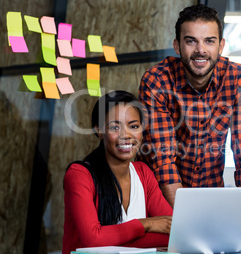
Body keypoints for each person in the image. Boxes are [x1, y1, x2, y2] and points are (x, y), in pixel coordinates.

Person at [138, 4, 241, 207]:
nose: (200, 50)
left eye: (209, 41)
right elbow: (163, 160)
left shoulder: (239, 79)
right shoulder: (157, 81)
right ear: (177, 46)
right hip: (159, 199)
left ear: (221, 46)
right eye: (191, 41)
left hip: (210, 195)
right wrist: (187, 219)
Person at [63, 91, 172, 254]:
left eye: (134, 126)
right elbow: (93, 241)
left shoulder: (143, 173)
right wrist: (146, 224)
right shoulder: (80, 175)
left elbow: (171, 229)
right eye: (115, 127)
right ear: (99, 130)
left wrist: (109, 238)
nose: (126, 135)